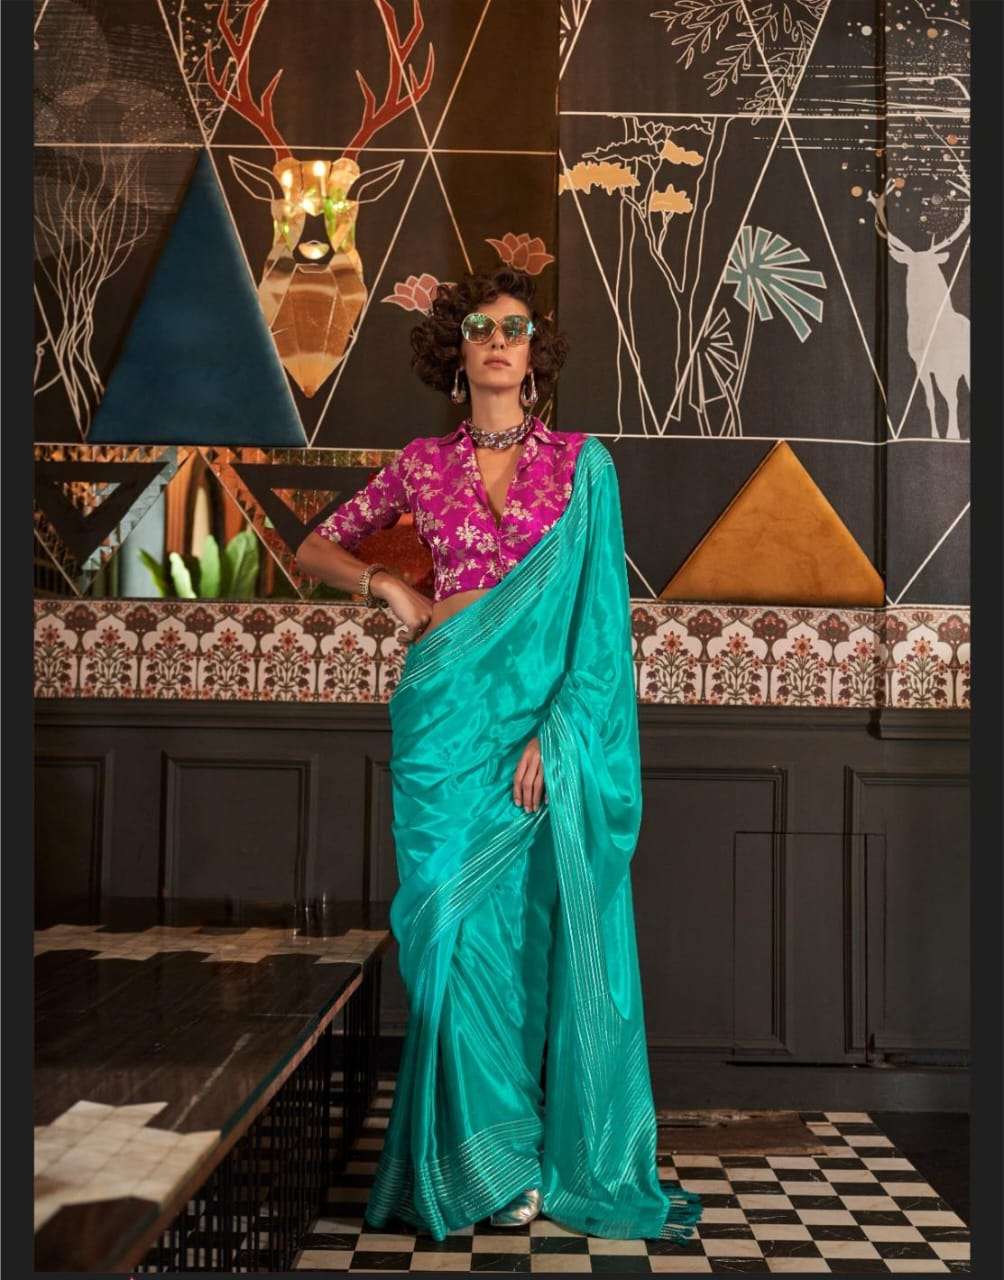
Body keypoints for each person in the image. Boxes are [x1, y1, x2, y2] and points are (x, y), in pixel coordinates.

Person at [295, 266, 703, 1244]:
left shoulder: (582, 465)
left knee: (516, 943)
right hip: (443, 721)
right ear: (456, 351)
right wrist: (389, 587)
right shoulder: (419, 465)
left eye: (513, 329)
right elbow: (314, 546)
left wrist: (557, 733)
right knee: (445, 936)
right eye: (478, 326)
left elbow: (598, 625)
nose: (495, 341)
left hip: (534, 726)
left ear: (534, 355)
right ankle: (476, 1158)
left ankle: (514, 1155)